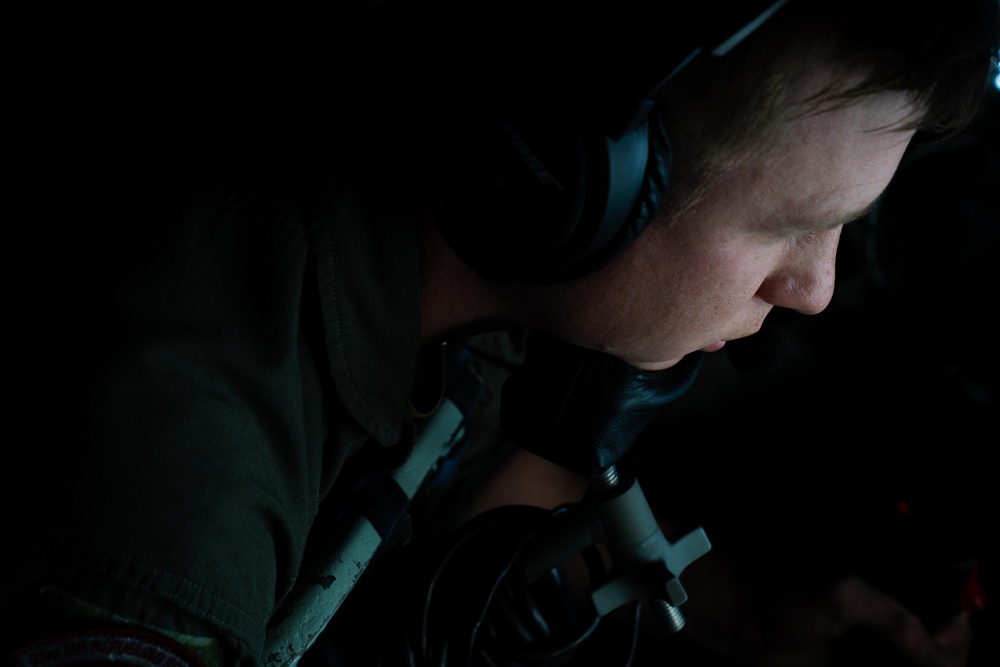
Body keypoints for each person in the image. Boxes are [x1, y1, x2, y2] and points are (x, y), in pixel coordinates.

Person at [2, 1, 996, 666]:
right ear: (563, 175)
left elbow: (484, 493)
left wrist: (753, 611)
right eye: (786, 226)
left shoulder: (488, 299)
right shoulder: (182, 441)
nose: (813, 286)